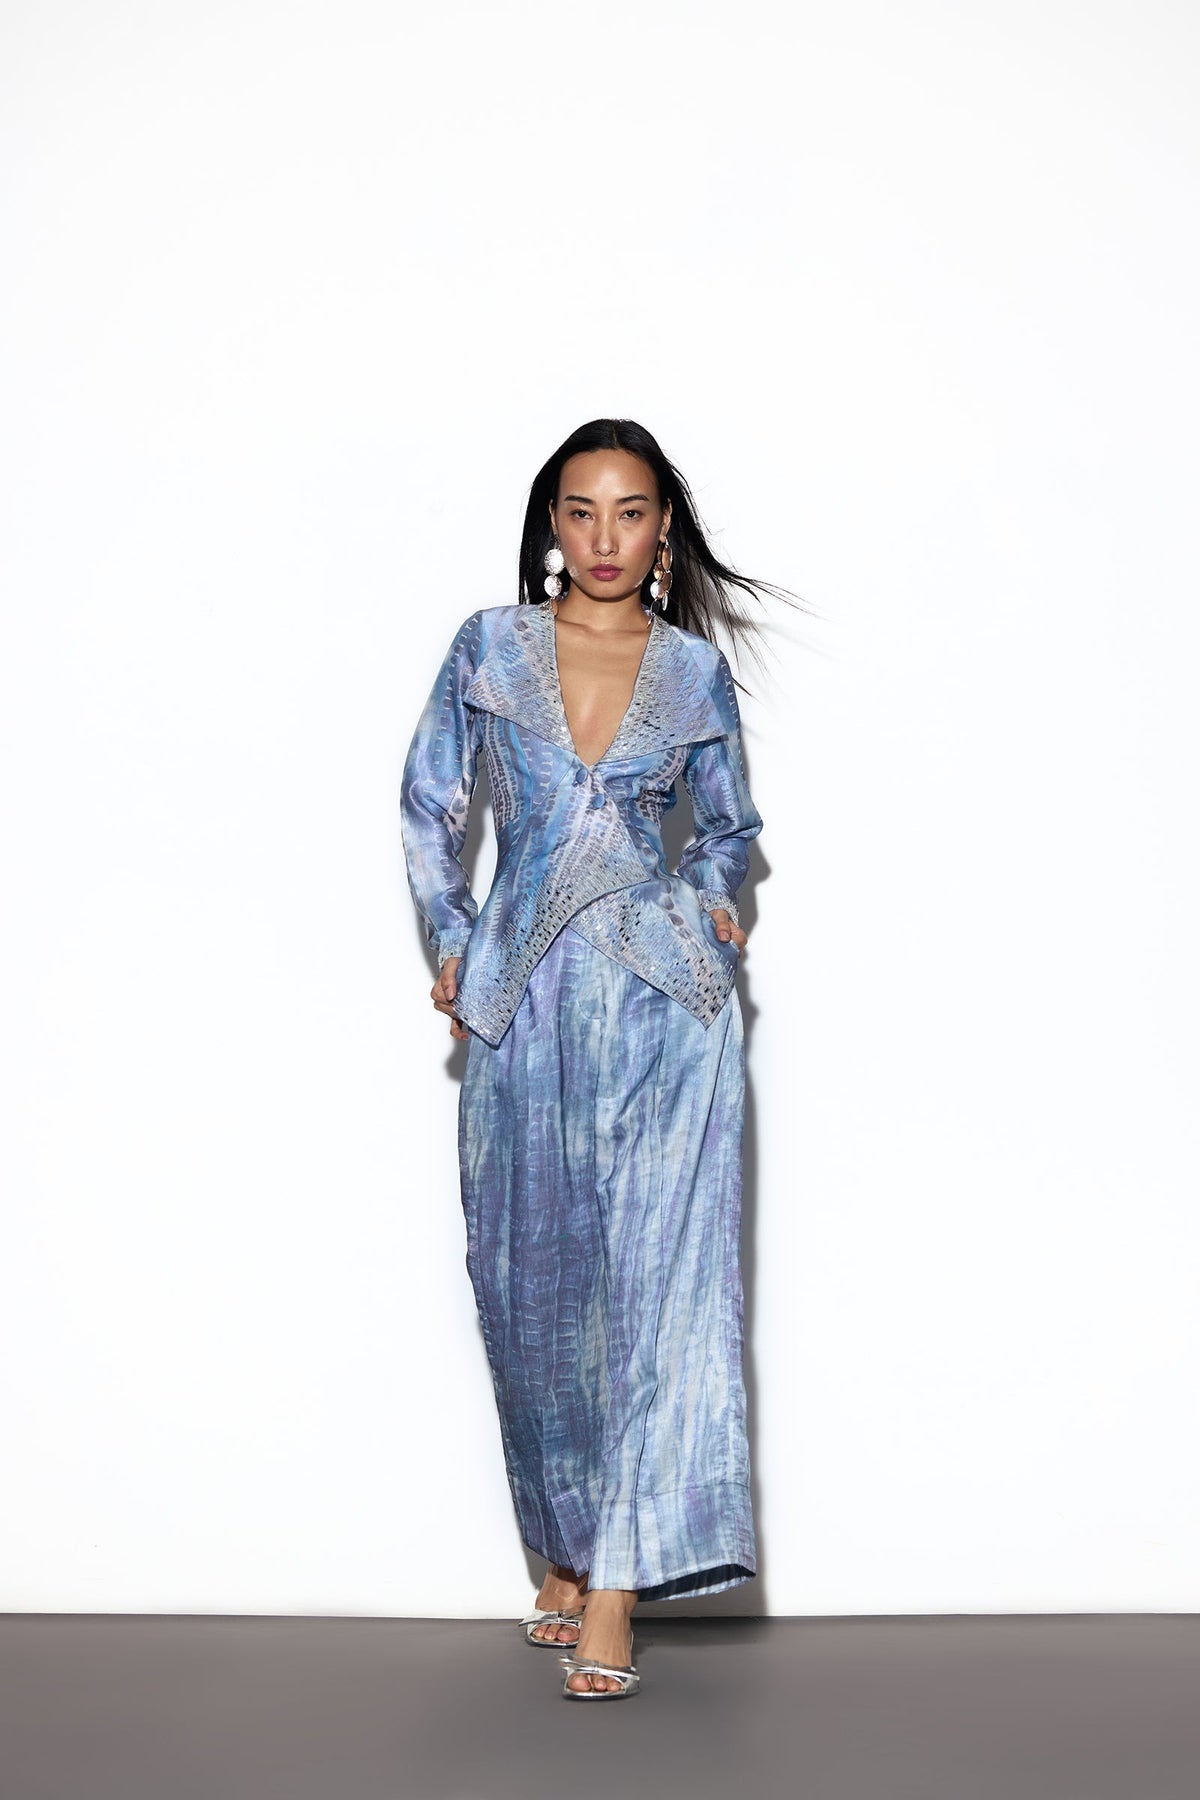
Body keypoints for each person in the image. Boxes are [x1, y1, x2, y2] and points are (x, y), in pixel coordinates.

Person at [400, 417, 795, 1700]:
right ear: (552, 525)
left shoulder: (691, 673)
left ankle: (617, 1582)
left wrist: (714, 902)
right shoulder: (489, 647)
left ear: (663, 529)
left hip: (663, 1000)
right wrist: (453, 939)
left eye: (631, 512)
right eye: (581, 511)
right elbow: (428, 805)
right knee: (531, 1287)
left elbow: (727, 827)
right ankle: (567, 1545)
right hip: (521, 999)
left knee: (655, 1288)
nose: (605, 537)